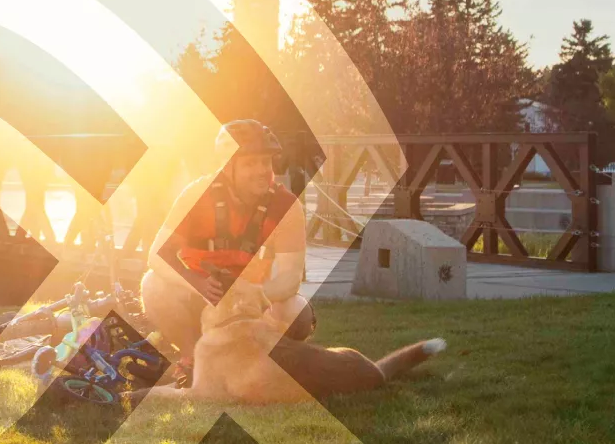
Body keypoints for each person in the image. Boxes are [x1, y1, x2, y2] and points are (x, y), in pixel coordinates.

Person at [142, 119, 313, 379]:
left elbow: (291, 278)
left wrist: (253, 294)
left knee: (297, 312)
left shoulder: (285, 205)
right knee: (152, 285)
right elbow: (156, 255)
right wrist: (197, 283)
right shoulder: (196, 195)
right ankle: (193, 360)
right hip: (201, 297)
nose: (262, 171)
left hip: (253, 303)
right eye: (250, 163)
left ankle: (265, 361)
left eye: (265, 162)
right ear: (226, 167)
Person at [157, 281, 445, 405]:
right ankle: (426, 348)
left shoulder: (220, 338)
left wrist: (144, 395)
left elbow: (201, 399)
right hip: (355, 366)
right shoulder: (256, 330)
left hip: (356, 368)